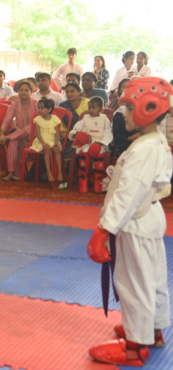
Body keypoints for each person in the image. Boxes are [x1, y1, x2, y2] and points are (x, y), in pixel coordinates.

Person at [88, 77, 173, 367]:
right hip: (149, 218)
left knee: (133, 283)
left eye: (127, 109)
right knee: (153, 278)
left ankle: (136, 347)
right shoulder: (155, 142)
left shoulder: (143, 150)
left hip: (134, 224)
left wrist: (102, 231)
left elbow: (127, 195)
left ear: (145, 111)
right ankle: (155, 330)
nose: (122, 115)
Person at [68, 96, 112, 193]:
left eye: (94, 107)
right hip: (87, 143)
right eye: (90, 107)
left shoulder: (105, 119)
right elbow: (75, 129)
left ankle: (98, 181)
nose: (91, 110)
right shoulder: (85, 118)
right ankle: (83, 180)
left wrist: (102, 143)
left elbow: (109, 132)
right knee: (84, 151)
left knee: (98, 151)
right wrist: (75, 134)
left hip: (99, 143)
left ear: (101, 109)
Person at [0, 80, 38, 181]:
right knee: (13, 142)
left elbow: (33, 124)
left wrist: (8, 136)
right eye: (21, 90)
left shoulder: (36, 104)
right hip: (18, 135)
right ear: (18, 92)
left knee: (25, 130)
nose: (23, 92)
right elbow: (7, 120)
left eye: (26, 90)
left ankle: (9, 137)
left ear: (31, 92)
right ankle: (11, 172)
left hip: (34, 135)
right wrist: (2, 132)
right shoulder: (15, 104)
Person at [30, 98, 64, 184]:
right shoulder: (38, 119)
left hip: (52, 140)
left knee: (56, 149)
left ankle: (59, 172)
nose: (40, 110)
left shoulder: (55, 118)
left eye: (42, 108)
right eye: (39, 108)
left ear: (49, 109)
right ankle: (49, 172)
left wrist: (56, 142)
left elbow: (56, 133)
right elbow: (38, 134)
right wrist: (43, 143)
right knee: (47, 149)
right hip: (41, 141)